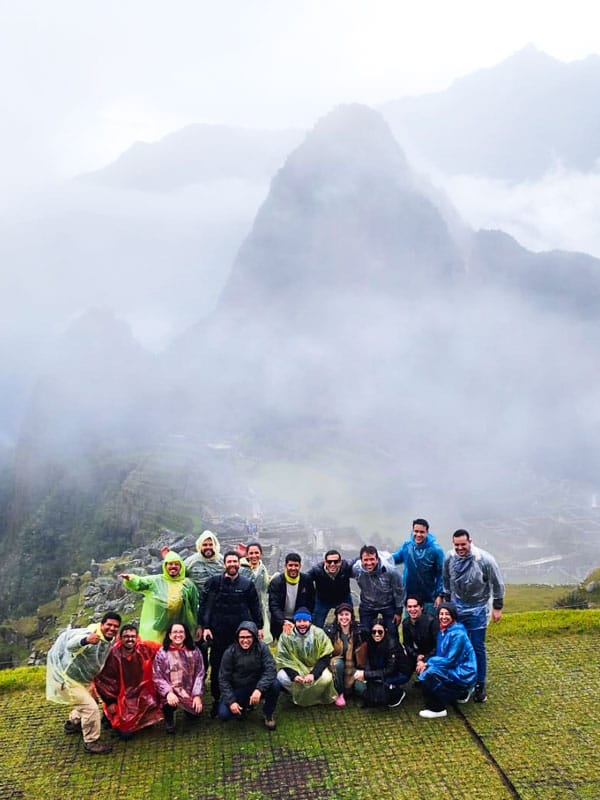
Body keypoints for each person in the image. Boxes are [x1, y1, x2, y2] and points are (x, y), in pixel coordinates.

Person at [443, 529, 505, 702]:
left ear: (470, 541)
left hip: (478, 609)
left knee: (477, 646)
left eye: (463, 544)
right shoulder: (449, 558)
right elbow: (446, 580)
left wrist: (497, 607)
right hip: (457, 608)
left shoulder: (485, 560)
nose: (460, 548)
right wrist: (447, 604)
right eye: (457, 545)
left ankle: (480, 684)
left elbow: (497, 584)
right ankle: (461, 682)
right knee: (458, 644)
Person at [46, 612, 121, 754]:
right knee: (91, 708)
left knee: (90, 700)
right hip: (67, 679)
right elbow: (71, 645)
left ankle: (74, 722)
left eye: (115, 626)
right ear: (102, 624)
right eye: (109, 625)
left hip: (82, 679)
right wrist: (86, 640)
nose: (111, 628)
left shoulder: (108, 639)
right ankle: (91, 742)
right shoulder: (91, 635)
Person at [199, 550, 263, 714]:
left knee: (243, 666)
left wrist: (259, 627)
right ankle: (217, 699)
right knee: (217, 667)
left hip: (240, 634)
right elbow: (205, 606)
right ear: (224, 564)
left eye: (235, 561)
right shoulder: (213, 582)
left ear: (239, 564)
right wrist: (205, 626)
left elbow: (255, 607)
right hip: (218, 633)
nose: (233, 564)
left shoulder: (247, 584)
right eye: (230, 562)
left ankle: (243, 698)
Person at [94, 623, 163, 739]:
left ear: (137, 637)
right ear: (121, 638)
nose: (130, 639)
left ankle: (138, 717)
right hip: (122, 696)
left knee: (148, 718)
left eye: (132, 636)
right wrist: (110, 701)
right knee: (125, 734)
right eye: (126, 636)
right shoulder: (113, 654)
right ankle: (109, 717)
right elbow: (104, 680)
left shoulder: (144, 648)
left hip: (141, 692)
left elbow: (162, 652)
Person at [120, 550, 198, 645]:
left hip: (181, 628)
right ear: (165, 566)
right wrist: (131, 579)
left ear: (181, 567)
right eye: (170, 564)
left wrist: (197, 626)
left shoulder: (189, 585)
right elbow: (141, 583)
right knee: (159, 651)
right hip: (161, 626)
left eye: (176, 564)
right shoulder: (156, 581)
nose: (173, 566)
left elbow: (194, 606)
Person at [416, 602, 477, 718]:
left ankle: (438, 708)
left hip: (463, 672)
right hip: (455, 666)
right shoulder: (444, 630)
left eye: (447, 614)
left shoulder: (458, 634)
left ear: (453, 615)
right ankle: (455, 694)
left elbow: (450, 660)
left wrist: (428, 663)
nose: (443, 617)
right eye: (441, 614)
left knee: (430, 674)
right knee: (428, 670)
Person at [218, 621, 280, 730]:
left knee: (275, 685)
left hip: (257, 685)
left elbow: (270, 669)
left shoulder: (262, 648)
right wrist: (231, 701)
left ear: (255, 636)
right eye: (242, 637)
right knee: (224, 714)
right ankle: (245, 706)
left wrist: (259, 689)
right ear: (237, 637)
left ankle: (268, 713)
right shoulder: (229, 653)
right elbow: (223, 679)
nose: (245, 640)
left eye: (249, 637)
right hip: (238, 687)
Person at [276, 608, 338, 706]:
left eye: (305, 621)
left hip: (314, 667)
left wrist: (313, 674)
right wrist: (294, 675)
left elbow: (325, 656)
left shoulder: (319, 633)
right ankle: (300, 694)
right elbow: (284, 659)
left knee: (326, 678)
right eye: (299, 621)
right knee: (281, 677)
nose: (302, 624)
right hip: (296, 668)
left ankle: (314, 696)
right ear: (295, 622)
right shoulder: (286, 635)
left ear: (310, 621)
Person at [152, 622, 204, 734]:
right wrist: (168, 692)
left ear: (185, 635)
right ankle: (169, 717)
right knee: (168, 704)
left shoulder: (194, 651)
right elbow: (158, 676)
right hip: (171, 693)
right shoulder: (162, 653)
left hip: (188, 692)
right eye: (175, 632)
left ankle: (189, 707)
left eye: (181, 632)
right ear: (169, 635)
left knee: (195, 714)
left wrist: (197, 695)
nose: (178, 635)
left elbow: (200, 674)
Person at [353, 618, 411, 708]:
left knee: (379, 683)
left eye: (380, 632)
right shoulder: (370, 642)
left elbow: (391, 670)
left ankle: (397, 693)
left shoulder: (392, 644)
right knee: (361, 685)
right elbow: (369, 661)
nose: (376, 634)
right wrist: (366, 674)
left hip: (399, 673)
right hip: (383, 668)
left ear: (386, 631)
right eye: (374, 632)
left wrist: (366, 675)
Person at [391, 518, 444, 613]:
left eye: (422, 532)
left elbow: (442, 573)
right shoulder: (407, 546)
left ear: (427, 532)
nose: (418, 535)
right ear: (412, 531)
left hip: (429, 598)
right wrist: (378, 559)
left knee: (429, 624)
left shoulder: (436, 550)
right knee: (410, 625)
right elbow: (395, 558)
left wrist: (439, 595)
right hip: (409, 597)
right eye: (416, 531)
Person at [352, 545, 403, 633]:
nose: (369, 563)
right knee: (365, 634)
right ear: (361, 560)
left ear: (377, 559)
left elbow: (399, 590)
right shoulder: (356, 569)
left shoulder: (390, 570)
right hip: (367, 605)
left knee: (392, 633)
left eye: (372, 559)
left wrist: (398, 611)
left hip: (388, 604)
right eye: (366, 560)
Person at [324, 602, 365, 706]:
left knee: (362, 690)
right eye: (341, 615)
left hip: (354, 666)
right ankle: (339, 692)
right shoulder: (330, 631)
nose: (344, 617)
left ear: (351, 616)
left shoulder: (359, 631)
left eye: (347, 614)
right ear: (337, 617)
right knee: (338, 664)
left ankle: (350, 687)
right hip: (336, 665)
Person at [268, 552, 315, 640]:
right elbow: (274, 605)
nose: (293, 568)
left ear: (300, 566)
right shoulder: (276, 582)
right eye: (290, 565)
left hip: (300, 619)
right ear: (285, 566)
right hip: (280, 620)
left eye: (296, 565)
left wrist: (305, 619)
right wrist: (283, 621)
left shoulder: (306, 580)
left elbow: (311, 602)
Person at [307, 549, 354, 629]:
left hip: (343, 598)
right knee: (316, 624)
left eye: (336, 561)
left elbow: (358, 560)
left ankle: (347, 639)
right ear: (325, 562)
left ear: (340, 562)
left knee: (349, 622)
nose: (332, 564)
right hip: (322, 600)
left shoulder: (346, 566)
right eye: (329, 562)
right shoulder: (317, 570)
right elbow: (305, 579)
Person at [238, 541, 272, 644]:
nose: (254, 556)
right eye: (251, 553)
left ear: (261, 554)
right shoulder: (241, 569)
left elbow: (265, 585)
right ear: (247, 554)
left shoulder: (262, 568)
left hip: (259, 605)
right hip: (244, 605)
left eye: (256, 553)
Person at [401, 595, 438, 674]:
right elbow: (407, 644)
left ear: (421, 607)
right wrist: (417, 655)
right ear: (406, 609)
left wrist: (425, 659)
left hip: (433, 655)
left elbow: (438, 645)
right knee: (403, 668)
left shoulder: (432, 622)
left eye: (415, 606)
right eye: (409, 607)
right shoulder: (406, 623)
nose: (412, 609)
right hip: (418, 654)